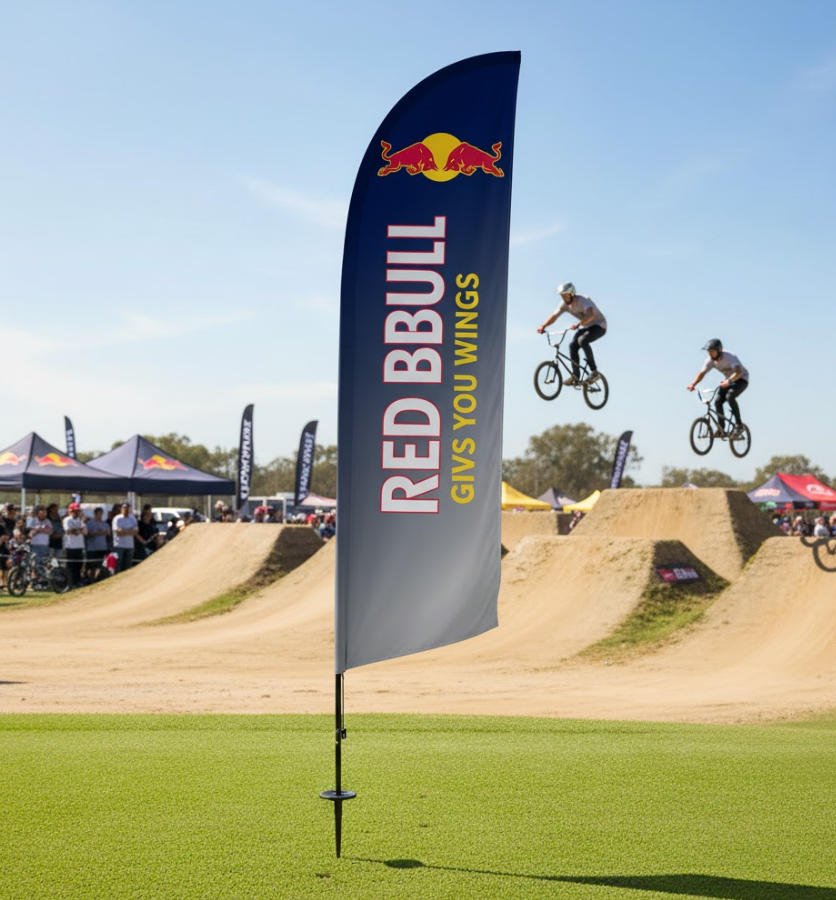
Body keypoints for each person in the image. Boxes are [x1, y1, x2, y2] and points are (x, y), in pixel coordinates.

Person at [537, 282, 607, 385]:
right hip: (585, 326)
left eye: (565, 295)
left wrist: (579, 324)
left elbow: (590, 315)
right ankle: (576, 376)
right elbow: (554, 316)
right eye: (562, 296)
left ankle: (594, 372)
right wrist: (543, 326)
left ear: (572, 293)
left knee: (582, 341)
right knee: (572, 345)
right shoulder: (564, 305)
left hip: (599, 325)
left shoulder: (582, 300)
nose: (564, 298)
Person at [687, 338, 749, 438]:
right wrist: (693, 384)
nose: (710, 354)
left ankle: (739, 426)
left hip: (741, 379)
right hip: (728, 381)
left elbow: (738, 372)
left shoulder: (730, 357)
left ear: (719, 350)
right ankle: (721, 429)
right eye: (709, 352)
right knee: (717, 401)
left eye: (712, 351)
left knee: (730, 396)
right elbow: (702, 373)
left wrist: (728, 381)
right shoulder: (710, 361)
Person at [62, 502, 87, 588]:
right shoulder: (67, 520)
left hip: (79, 546)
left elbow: (85, 532)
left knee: (79, 566)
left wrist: (77, 530)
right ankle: (70, 583)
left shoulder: (80, 520)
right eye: (75, 511)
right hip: (70, 546)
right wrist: (78, 530)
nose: (77, 512)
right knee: (70, 567)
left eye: (78, 511)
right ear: (71, 511)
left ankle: (77, 582)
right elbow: (69, 531)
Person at [111, 501, 138, 572]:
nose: (126, 509)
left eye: (128, 508)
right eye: (124, 507)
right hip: (119, 546)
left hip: (130, 546)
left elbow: (136, 532)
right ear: (121, 508)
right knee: (118, 565)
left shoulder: (132, 518)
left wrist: (124, 530)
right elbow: (118, 532)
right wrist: (130, 530)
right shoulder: (117, 518)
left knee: (128, 566)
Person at [85, 507, 110, 582]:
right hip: (92, 549)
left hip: (103, 548)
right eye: (98, 514)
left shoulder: (105, 524)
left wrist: (99, 533)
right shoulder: (89, 523)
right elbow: (87, 534)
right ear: (95, 514)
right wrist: (98, 533)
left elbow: (108, 534)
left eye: (101, 514)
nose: (100, 515)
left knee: (102, 566)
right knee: (91, 567)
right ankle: (90, 581)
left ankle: (99, 580)